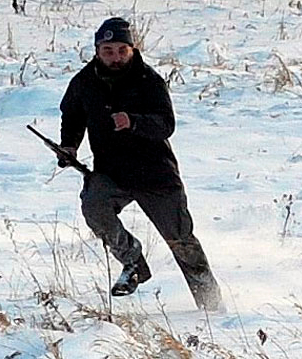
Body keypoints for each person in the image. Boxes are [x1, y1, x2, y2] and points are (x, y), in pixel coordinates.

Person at [57, 17, 222, 310]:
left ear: (132, 49)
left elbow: (165, 124)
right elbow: (72, 115)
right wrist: (69, 146)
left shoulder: (149, 81)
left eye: (122, 50)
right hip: (112, 172)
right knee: (94, 206)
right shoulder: (84, 82)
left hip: (155, 174)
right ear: (97, 50)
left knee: (181, 241)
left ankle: (211, 307)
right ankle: (133, 262)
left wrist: (133, 122)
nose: (115, 57)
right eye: (108, 50)